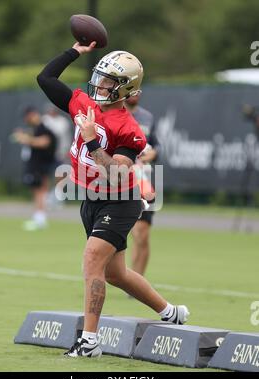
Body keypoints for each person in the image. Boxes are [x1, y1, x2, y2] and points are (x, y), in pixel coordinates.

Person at [37, 41, 189, 358]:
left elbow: (117, 174)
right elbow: (46, 79)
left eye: (109, 81)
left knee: (92, 259)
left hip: (121, 200)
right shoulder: (83, 103)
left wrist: (92, 141)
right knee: (115, 274)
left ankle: (90, 342)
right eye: (100, 77)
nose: (100, 84)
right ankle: (170, 312)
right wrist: (75, 51)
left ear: (124, 88)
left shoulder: (129, 128)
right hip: (91, 199)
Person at [125, 94, 159, 276]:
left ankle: (137, 281)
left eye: (138, 90)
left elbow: (155, 145)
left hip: (144, 181)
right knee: (130, 233)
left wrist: (153, 153)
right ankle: (126, 277)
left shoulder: (147, 117)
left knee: (142, 235)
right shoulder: (112, 115)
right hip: (121, 182)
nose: (135, 94)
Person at [12, 106, 57, 230]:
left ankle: (40, 219)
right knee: (37, 191)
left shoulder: (43, 127)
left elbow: (44, 141)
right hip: (36, 165)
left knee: (40, 191)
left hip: (41, 165)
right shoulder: (35, 129)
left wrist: (25, 139)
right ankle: (39, 217)